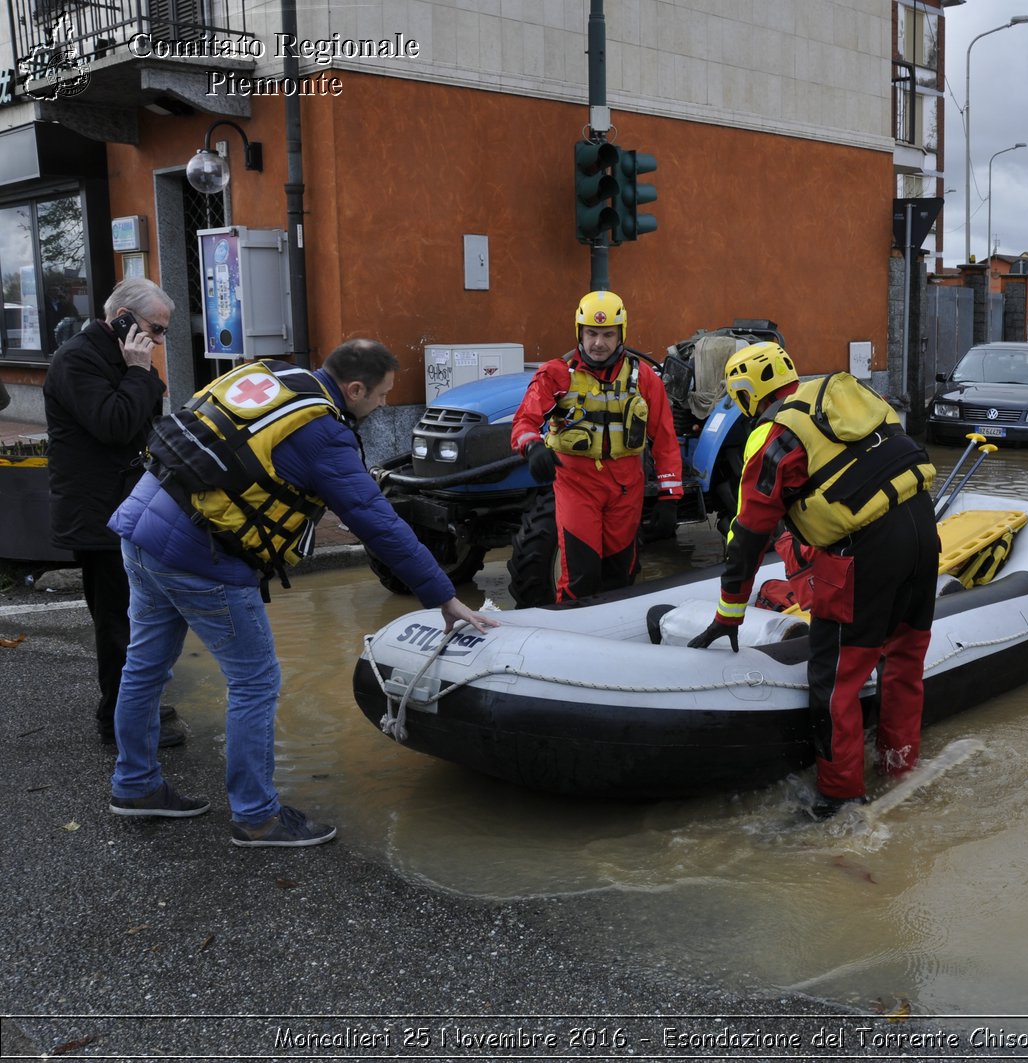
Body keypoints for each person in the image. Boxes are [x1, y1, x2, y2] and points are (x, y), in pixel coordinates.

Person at [106, 339, 497, 846]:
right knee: (255, 681)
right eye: (380, 396)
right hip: (200, 556)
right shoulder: (323, 434)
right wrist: (443, 595)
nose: (382, 405)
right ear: (354, 389)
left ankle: (134, 784)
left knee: (144, 665)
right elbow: (378, 523)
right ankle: (257, 816)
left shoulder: (275, 377)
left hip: (140, 526)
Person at [686, 343, 939, 818]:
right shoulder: (846, 395)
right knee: (903, 662)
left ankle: (840, 799)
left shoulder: (773, 435)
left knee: (836, 679)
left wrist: (729, 613)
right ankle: (900, 767)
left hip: (866, 554)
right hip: (923, 531)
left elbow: (747, 534)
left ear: (745, 394)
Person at [43, 277, 188, 749]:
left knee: (140, 613)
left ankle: (136, 706)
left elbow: (146, 419)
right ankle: (118, 721)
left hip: (128, 504)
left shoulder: (120, 357)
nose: (159, 341)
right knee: (116, 620)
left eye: (163, 332)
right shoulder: (78, 359)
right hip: (98, 511)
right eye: (155, 328)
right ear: (122, 317)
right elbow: (115, 424)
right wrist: (139, 370)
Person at [509, 291, 683, 602]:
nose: (598, 343)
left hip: (626, 487)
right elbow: (524, 420)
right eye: (591, 333)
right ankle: (572, 638)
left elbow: (665, 440)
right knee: (582, 576)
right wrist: (533, 447)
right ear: (580, 333)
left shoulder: (644, 378)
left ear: (621, 335)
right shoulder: (556, 374)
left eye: (607, 334)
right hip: (577, 484)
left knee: (620, 576)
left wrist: (670, 498)